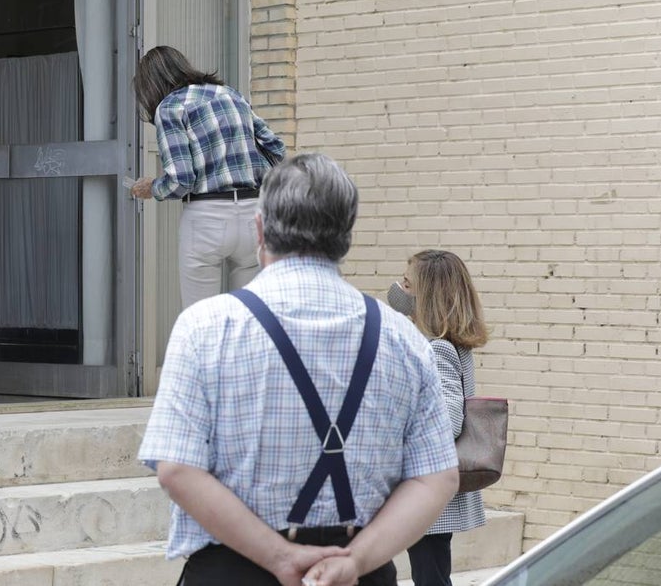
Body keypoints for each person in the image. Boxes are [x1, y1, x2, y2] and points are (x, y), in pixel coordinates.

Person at [138, 153, 460, 586]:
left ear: (259, 229)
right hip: (357, 572)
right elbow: (437, 478)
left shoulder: (206, 327)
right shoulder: (404, 338)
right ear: (345, 236)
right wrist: (355, 561)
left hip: (232, 571)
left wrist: (281, 557)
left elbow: (177, 469)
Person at [129, 45, 286, 309]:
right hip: (253, 213)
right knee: (249, 314)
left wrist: (152, 188)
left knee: (200, 317)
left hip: (206, 216)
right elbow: (277, 148)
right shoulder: (231, 95)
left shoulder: (170, 107)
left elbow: (181, 180)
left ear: (152, 84)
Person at [388, 250, 489, 586]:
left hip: (428, 487)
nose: (398, 289)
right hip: (431, 488)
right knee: (430, 574)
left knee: (430, 577)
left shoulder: (437, 348)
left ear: (427, 294)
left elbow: (449, 420)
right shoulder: (443, 342)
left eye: (407, 284)